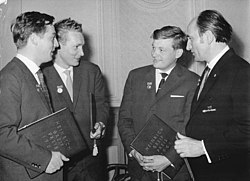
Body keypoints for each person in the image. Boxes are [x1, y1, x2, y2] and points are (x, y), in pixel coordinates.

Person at [174, 10, 250, 181]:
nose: (188, 47)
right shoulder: (211, 70)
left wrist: (203, 147)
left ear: (207, 37)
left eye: (191, 39)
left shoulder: (241, 71)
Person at [118, 26, 199, 181]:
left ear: (178, 53)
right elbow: (124, 120)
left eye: (161, 50)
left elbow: (189, 127)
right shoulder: (135, 77)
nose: (154, 54)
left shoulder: (192, 81)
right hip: (139, 168)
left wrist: (169, 159)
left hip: (175, 171)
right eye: (154, 48)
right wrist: (133, 150)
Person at [0, 11, 69, 181]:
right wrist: (45, 159)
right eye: (52, 38)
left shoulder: (33, 74)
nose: (56, 45)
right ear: (34, 39)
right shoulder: (10, 77)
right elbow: (2, 134)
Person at [42, 18, 109, 181]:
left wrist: (101, 124)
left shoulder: (91, 71)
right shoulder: (41, 75)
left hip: (91, 162)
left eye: (83, 46)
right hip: (57, 163)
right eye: (76, 47)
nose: (82, 53)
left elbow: (102, 105)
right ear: (58, 44)